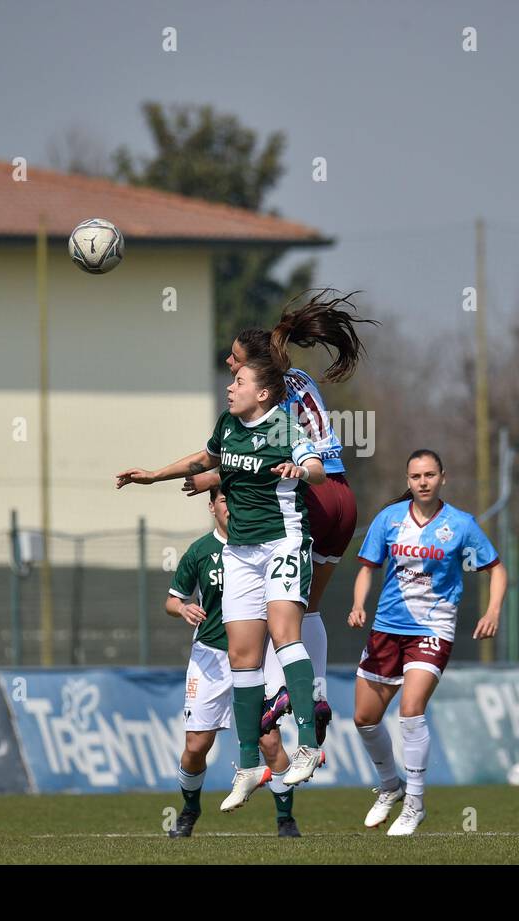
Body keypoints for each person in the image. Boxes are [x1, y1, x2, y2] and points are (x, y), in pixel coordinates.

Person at [118, 354, 326, 811]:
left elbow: (317, 467)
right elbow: (204, 459)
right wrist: (153, 476)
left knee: (285, 633)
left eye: (239, 380)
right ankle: (250, 763)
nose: (231, 387)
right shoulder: (228, 424)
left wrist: (299, 469)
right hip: (241, 553)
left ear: (264, 393)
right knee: (241, 655)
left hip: (283, 543)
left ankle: (308, 746)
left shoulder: (284, 428)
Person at [185, 290, 377, 743]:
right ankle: (319, 693)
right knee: (308, 608)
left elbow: (257, 458)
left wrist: (210, 480)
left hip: (309, 494)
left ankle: (280, 695)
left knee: (267, 611)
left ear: (257, 369)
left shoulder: (264, 402)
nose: (231, 367)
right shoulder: (301, 378)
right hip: (342, 498)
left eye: (236, 360)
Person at [348, 449, 507, 835]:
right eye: (416, 475)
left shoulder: (461, 525)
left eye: (430, 474)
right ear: (408, 480)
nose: (423, 481)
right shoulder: (388, 520)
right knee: (364, 719)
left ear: (442, 478)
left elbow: (496, 569)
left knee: (411, 709)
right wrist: (357, 604)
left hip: (433, 629)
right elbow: (367, 569)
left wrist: (493, 611)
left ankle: (415, 804)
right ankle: (391, 786)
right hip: (387, 628)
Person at [164, 485, 302, 837]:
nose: (232, 506)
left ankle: (285, 820)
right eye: (225, 500)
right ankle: (190, 809)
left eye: (237, 499)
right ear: (212, 507)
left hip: (255, 657)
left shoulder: (262, 548)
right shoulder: (200, 550)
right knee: (196, 746)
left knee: (269, 740)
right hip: (210, 656)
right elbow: (171, 600)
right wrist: (182, 607)